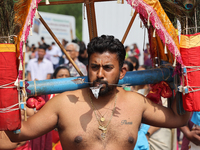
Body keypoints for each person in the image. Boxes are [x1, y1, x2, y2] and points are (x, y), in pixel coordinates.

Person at [5, 35, 191, 150]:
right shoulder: (63, 104)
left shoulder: (136, 103)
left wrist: (187, 78)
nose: (100, 74)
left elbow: (179, 119)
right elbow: (18, 134)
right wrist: (6, 92)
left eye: (108, 68)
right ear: (87, 68)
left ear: (122, 72)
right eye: (94, 67)